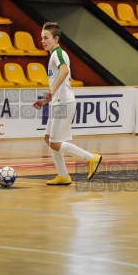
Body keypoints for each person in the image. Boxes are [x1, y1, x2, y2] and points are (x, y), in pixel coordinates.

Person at [33, 22, 102, 185]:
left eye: (46, 38)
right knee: (48, 138)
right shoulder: (54, 54)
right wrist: (46, 100)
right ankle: (63, 175)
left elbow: (64, 71)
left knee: (55, 143)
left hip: (63, 103)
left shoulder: (58, 53)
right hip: (58, 102)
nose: (43, 41)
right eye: (42, 38)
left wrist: (50, 93)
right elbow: (59, 81)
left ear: (56, 39)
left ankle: (91, 158)